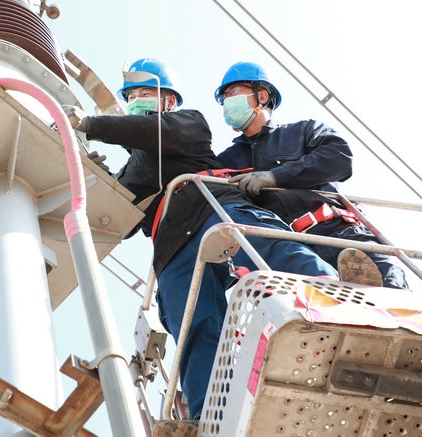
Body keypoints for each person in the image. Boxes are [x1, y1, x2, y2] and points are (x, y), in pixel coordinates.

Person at [63, 57, 338, 420]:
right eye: (131, 97)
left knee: (269, 249)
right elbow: (119, 222)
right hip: (172, 248)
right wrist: (98, 182)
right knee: (195, 328)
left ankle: (334, 308)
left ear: (168, 100)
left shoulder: (188, 122)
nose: (135, 102)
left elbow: (154, 133)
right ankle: (211, 416)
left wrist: (91, 124)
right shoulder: (133, 169)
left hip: (212, 208)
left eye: (144, 93)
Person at [214, 61, 409, 289]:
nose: (227, 101)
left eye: (232, 92)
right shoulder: (227, 161)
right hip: (286, 255)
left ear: (262, 96)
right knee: (313, 309)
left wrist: (275, 176)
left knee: (391, 292)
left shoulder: (303, 131)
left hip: (340, 235)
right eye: (224, 97)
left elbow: (339, 158)